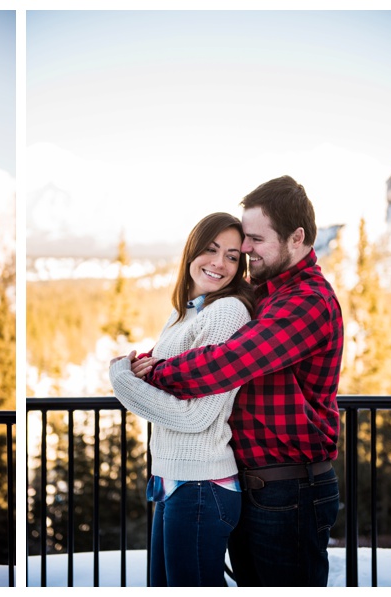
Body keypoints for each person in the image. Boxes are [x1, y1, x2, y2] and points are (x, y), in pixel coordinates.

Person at [131, 175, 344, 586]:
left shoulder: (307, 302)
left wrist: (154, 372)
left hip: (290, 490)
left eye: (255, 240)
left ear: (297, 238)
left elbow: (227, 363)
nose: (245, 250)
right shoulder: (263, 292)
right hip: (252, 484)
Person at [109, 212, 254, 586]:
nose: (219, 263)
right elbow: (172, 386)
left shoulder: (227, 312)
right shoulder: (184, 313)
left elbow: (195, 417)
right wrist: (149, 372)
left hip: (202, 486)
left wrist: (121, 379)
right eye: (211, 249)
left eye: (233, 256)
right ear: (192, 250)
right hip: (175, 480)